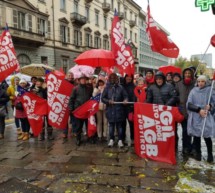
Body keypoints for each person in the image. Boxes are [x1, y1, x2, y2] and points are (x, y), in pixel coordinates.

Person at [186, 75, 214, 163]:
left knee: (207, 136)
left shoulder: (210, 90)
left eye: (202, 81)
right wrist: (198, 110)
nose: (200, 83)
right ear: (197, 82)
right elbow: (189, 104)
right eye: (199, 81)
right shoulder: (193, 91)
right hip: (196, 115)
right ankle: (198, 154)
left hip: (206, 115)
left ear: (205, 82)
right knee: (196, 136)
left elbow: (213, 102)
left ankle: (210, 154)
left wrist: (210, 106)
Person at [102, 73, 128, 148]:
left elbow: (125, 96)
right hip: (110, 110)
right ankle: (111, 139)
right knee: (111, 126)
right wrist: (108, 101)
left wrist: (125, 100)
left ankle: (120, 140)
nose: (113, 79)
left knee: (119, 126)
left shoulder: (121, 88)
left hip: (119, 110)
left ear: (117, 79)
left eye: (114, 78)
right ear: (109, 79)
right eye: (111, 78)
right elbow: (103, 98)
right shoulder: (107, 88)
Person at [175, 67, 196, 155]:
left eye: (189, 73)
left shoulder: (195, 84)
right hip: (182, 111)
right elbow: (176, 96)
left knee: (192, 131)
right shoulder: (179, 84)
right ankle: (185, 148)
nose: (187, 74)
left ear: (191, 74)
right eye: (186, 73)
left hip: (193, 111)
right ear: (183, 74)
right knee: (184, 131)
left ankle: (192, 147)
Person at [69, 75, 93, 146]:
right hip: (78, 110)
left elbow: (91, 97)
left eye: (85, 79)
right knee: (78, 126)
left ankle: (90, 137)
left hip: (87, 110)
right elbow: (71, 99)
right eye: (82, 79)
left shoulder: (89, 88)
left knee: (88, 125)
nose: (83, 80)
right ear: (79, 80)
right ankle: (78, 139)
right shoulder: (75, 89)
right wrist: (71, 108)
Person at [122, 74, 136, 146]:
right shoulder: (121, 86)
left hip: (130, 108)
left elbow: (135, 96)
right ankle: (122, 138)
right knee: (122, 124)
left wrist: (132, 105)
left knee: (131, 124)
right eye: (127, 77)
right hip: (122, 108)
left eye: (130, 77)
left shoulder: (134, 87)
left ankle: (132, 138)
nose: (129, 78)